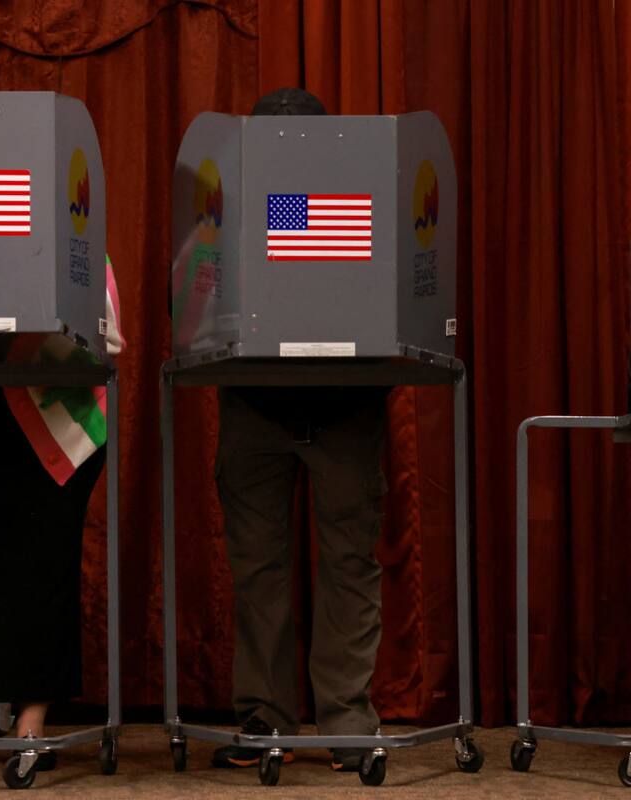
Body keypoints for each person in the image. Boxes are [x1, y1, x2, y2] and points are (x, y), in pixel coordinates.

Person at [211, 87, 391, 774]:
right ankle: (265, 720)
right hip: (256, 403)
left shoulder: (363, 201)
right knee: (258, 571)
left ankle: (347, 722)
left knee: (347, 564)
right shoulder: (229, 205)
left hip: (346, 404)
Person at [0, 257, 123, 768]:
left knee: (44, 566)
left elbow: (107, 339)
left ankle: (32, 722)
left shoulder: (73, 236)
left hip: (58, 420)